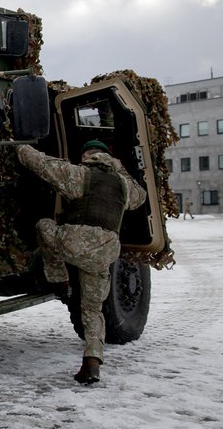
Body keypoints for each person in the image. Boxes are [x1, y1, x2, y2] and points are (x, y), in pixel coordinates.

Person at [16, 139, 148, 384]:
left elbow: (40, 164)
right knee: (92, 309)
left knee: (44, 227)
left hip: (75, 243)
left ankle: (58, 280)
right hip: (104, 252)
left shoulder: (78, 174)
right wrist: (120, 168)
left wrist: (19, 146)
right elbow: (141, 197)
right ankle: (92, 361)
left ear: (87, 155)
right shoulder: (124, 184)